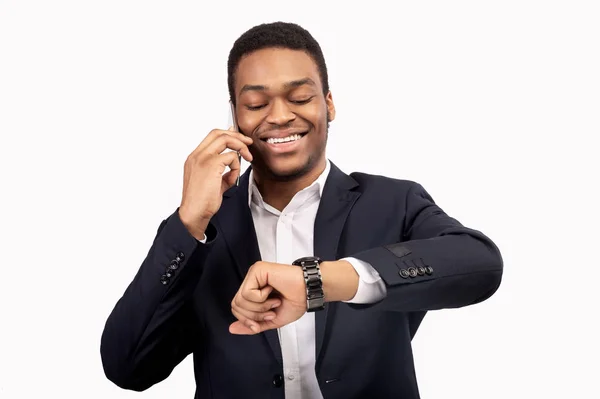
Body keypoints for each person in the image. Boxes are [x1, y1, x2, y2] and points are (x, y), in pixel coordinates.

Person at [100, 21, 503, 399]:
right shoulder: (203, 231)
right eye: (256, 103)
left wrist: (322, 280)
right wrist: (187, 224)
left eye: (300, 98)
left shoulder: (392, 202)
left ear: (328, 104)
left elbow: (480, 264)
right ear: (235, 115)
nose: (279, 116)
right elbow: (127, 367)